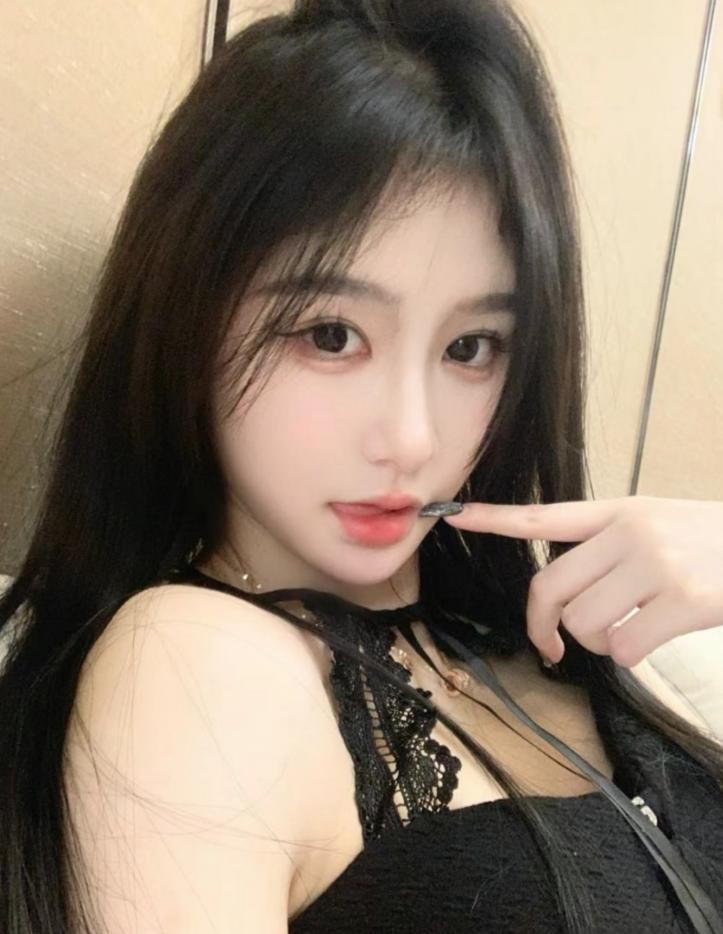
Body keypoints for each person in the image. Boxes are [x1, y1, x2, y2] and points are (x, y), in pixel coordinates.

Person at [0, 0, 722, 931]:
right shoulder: (196, 667)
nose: (413, 439)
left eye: (469, 347)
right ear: (187, 319)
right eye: (330, 335)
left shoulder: (534, 628)